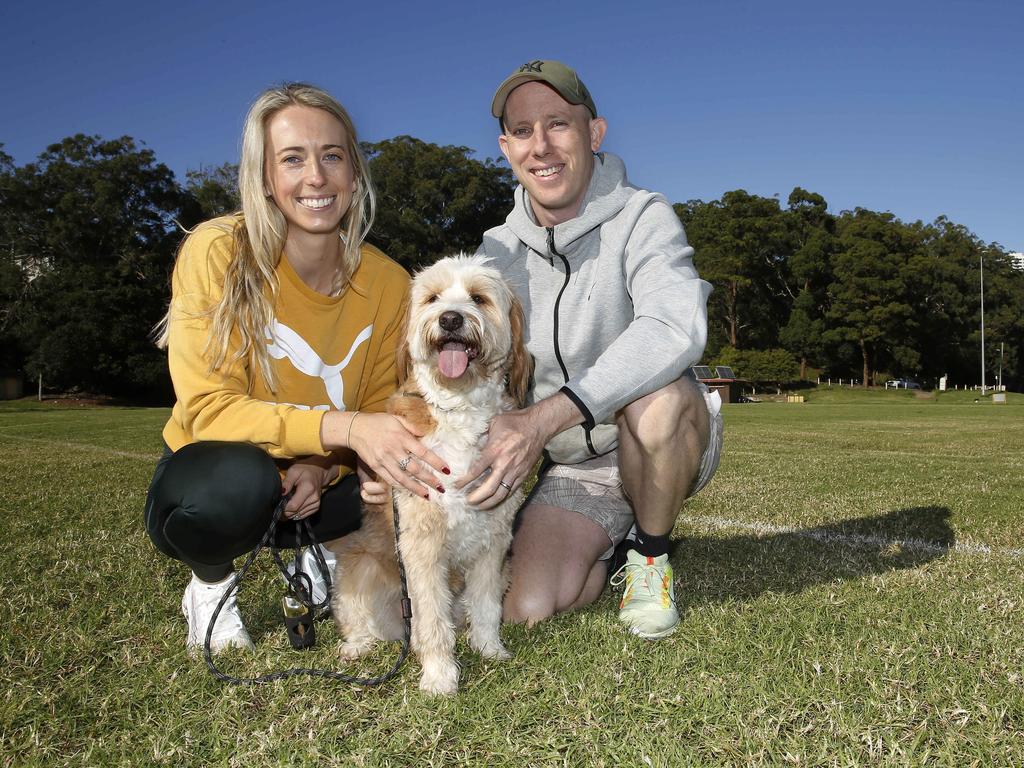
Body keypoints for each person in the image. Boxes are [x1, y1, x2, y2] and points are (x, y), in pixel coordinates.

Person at [145, 83, 448, 652]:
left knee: (396, 480)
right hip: (220, 470)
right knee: (237, 484)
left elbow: (382, 405)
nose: (316, 177)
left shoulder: (388, 282)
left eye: (332, 156)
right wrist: (348, 431)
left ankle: (326, 551)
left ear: (354, 174)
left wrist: (319, 464)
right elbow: (208, 410)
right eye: (293, 158)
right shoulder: (216, 251)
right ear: (263, 177)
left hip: (319, 470)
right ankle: (210, 584)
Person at [462, 60, 724, 639]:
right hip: (577, 465)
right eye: (524, 131)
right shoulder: (495, 253)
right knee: (528, 604)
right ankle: (611, 546)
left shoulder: (643, 214)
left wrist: (546, 417)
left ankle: (651, 557)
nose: (542, 146)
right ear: (506, 148)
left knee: (654, 399)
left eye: (558, 124)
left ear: (594, 133)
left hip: (659, 432)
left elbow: (673, 326)